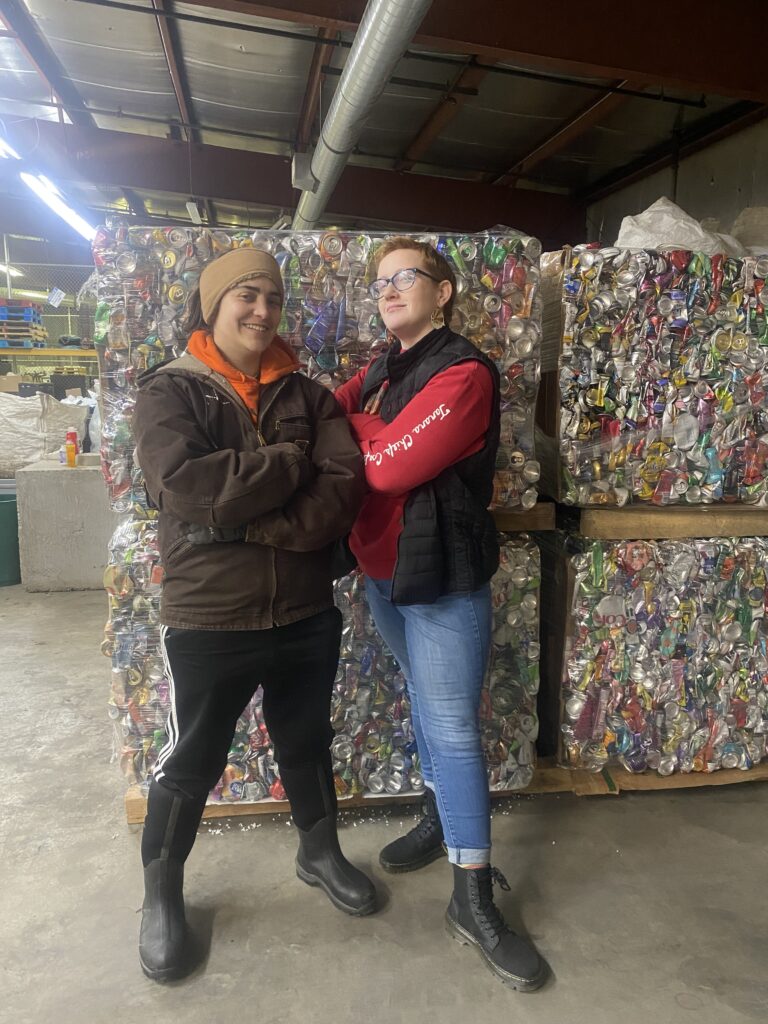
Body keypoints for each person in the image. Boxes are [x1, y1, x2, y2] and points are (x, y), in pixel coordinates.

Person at [133, 248, 376, 983]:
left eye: (272, 297)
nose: (262, 311)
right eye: (246, 294)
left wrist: (250, 522)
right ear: (214, 304)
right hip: (210, 614)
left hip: (304, 608)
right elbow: (188, 488)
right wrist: (291, 463)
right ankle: (161, 895)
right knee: (192, 759)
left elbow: (343, 489)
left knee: (306, 739)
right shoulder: (171, 392)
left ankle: (320, 851)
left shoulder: (309, 397)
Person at [333, 237, 547, 991]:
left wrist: (363, 436)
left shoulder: (463, 373)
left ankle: (472, 898)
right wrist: (366, 431)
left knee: (452, 727)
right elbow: (331, 415)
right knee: (423, 702)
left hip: (441, 577)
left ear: (444, 290)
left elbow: (390, 466)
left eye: (406, 277)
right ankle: (439, 818)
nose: (389, 290)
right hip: (382, 571)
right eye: (380, 282)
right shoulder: (383, 368)